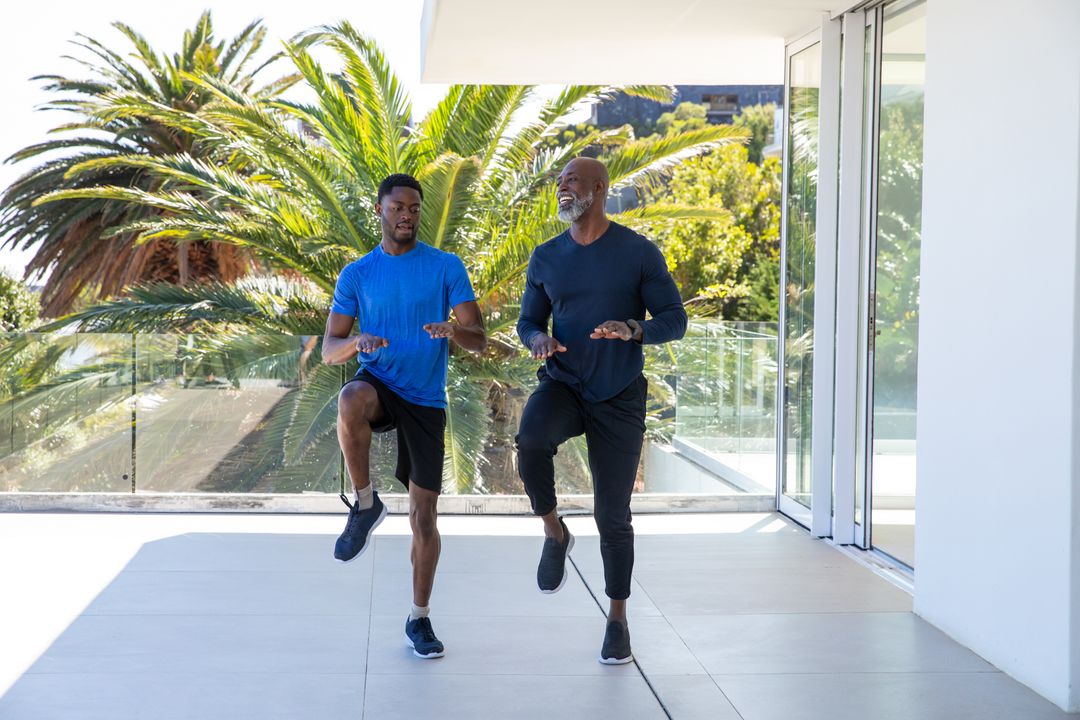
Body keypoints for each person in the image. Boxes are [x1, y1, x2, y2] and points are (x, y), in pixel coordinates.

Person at [515, 157, 687, 664]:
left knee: (613, 514)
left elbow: (675, 320)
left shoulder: (636, 252)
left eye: (571, 180)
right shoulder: (546, 256)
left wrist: (634, 329)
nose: (562, 187)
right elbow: (528, 321)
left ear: (599, 188)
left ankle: (617, 619)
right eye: (559, 182)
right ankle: (555, 531)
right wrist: (538, 339)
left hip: (619, 394)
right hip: (564, 383)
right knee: (530, 441)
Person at [323, 173, 487, 659]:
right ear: (380, 210)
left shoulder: (445, 266)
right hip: (380, 382)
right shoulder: (357, 273)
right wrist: (356, 342)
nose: (407, 215)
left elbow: (478, 337)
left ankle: (419, 618)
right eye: (398, 207)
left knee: (424, 517)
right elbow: (331, 349)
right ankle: (366, 503)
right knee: (350, 397)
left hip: (424, 400)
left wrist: (454, 331)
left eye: (414, 208)